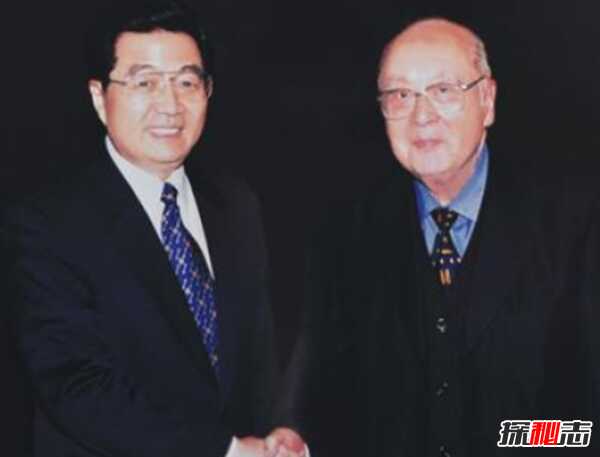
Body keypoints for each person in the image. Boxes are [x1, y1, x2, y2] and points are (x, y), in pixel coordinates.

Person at [281, 17, 599, 456]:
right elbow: (318, 401)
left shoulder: (575, 224)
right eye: (400, 95)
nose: (422, 115)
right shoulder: (345, 235)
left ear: (487, 100)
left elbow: (586, 424)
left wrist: (507, 442)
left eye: (444, 90)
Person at [2, 2, 305, 456]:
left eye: (186, 82)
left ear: (208, 91)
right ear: (99, 97)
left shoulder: (235, 205)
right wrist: (224, 450)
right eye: (144, 82)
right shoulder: (47, 224)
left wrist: (278, 429)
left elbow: (259, 358)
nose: (169, 105)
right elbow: (75, 386)